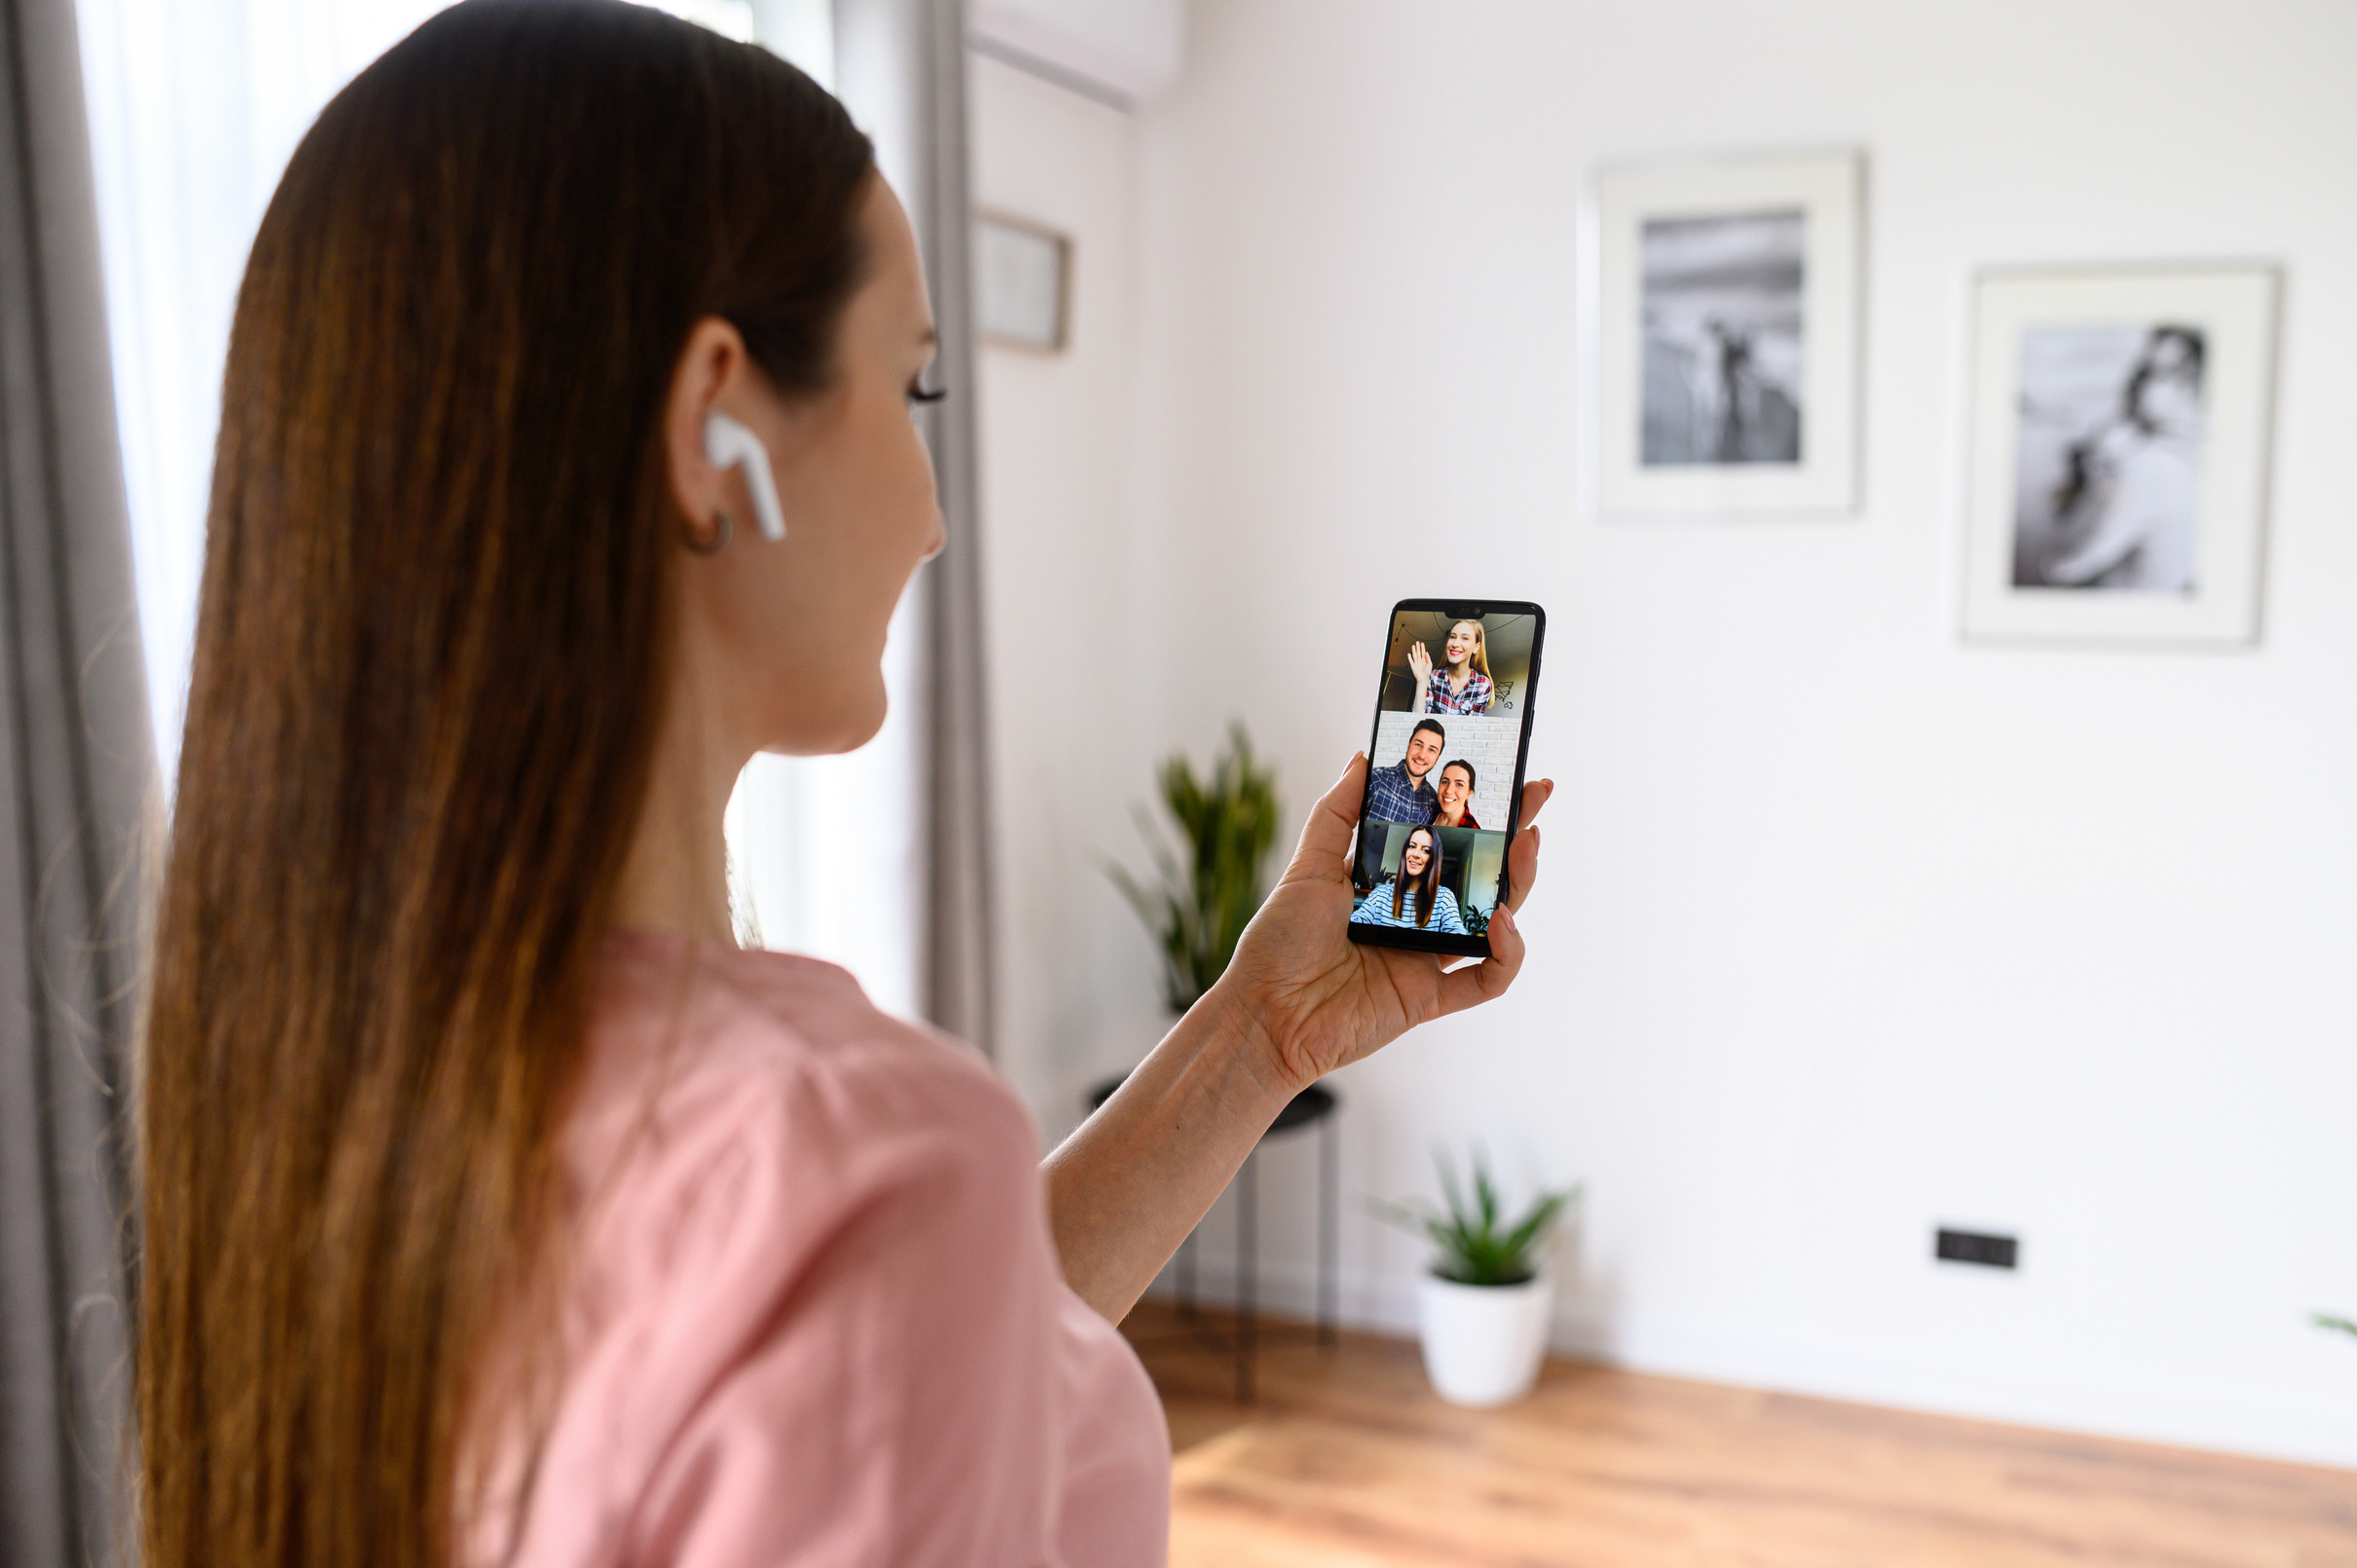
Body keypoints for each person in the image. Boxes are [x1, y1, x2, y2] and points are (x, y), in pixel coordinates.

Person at [131, 7, 1555, 1568]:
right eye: (911, 391)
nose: (935, 516)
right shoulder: (845, 1149)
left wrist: (1255, 1035)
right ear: (715, 425)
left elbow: (908, 1354)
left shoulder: (318, 1071)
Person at [2042, 325, 2204, 592]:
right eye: (2142, 371)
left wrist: (2087, 481)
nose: (2137, 383)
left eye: (2156, 373)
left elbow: (2064, 567)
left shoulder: (2151, 468)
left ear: (2189, 386)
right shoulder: (2194, 457)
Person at [1350, 826, 1469, 934]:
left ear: (1433, 858)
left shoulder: (1444, 898)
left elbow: (1457, 933)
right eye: (1412, 846)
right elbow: (1355, 922)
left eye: (1426, 850)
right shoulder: (1380, 894)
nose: (1416, 854)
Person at [1364, 717, 1445, 824]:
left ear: (1437, 759)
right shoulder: (1375, 779)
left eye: (1431, 750)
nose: (1422, 755)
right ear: (1408, 746)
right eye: (1418, 744)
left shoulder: (1433, 801)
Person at [1408, 619, 1494, 714]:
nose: (1455, 644)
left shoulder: (1483, 685)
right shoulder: (1434, 677)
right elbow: (1421, 720)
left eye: (1465, 638)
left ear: (1476, 647)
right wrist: (1422, 682)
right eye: (1453, 637)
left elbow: (1471, 727)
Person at [1434, 759, 1480, 830]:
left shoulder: (1473, 831)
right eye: (1445, 782)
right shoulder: (1430, 812)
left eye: (1459, 784)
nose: (1449, 790)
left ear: (1469, 793)